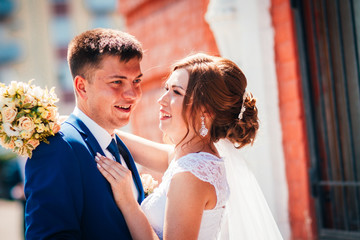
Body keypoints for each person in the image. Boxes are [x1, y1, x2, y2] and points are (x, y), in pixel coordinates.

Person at [96, 53, 283, 239]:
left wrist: (128, 203)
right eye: (166, 88)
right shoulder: (194, 159)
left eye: (176, 92)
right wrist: (79, 121)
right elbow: (130, 145)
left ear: (206, 110)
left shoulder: (191, 174)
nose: (161, 100)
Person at [24, 28, 149, 239]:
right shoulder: (57, 147)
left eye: (136, 81)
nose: (132, 94)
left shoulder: (118, 145)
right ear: (82, 87)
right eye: (117, 82)